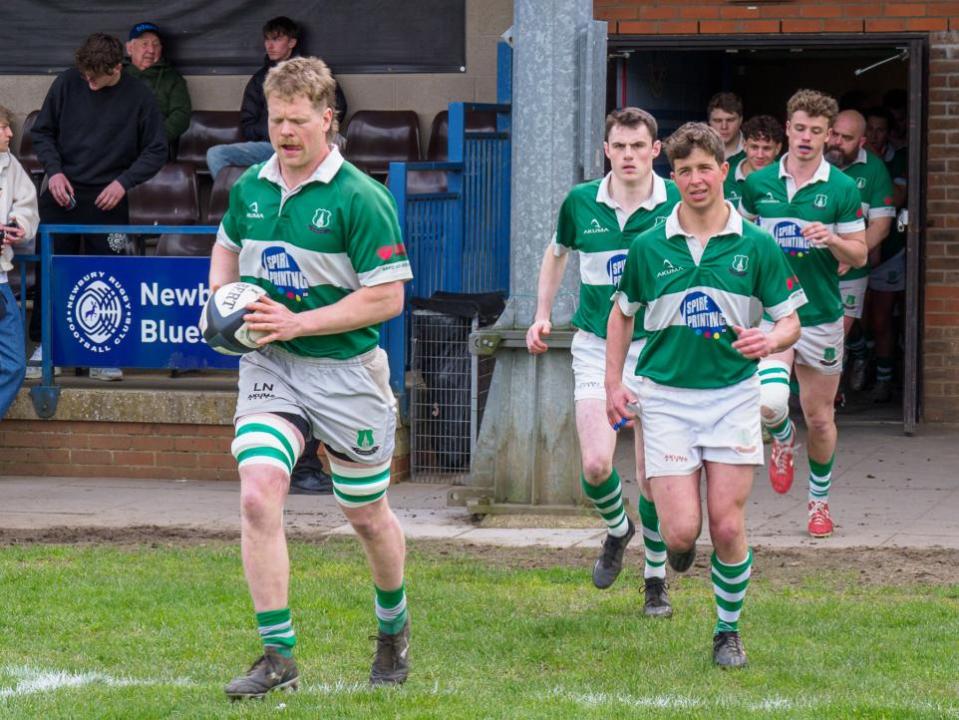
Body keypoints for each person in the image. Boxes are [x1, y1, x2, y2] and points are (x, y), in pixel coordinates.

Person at [211, 56, 412, 698]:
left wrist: (299, 322)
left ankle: (392, 628)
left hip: (347, 374)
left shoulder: (361, 197)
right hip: (272, 366)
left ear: (329, 119)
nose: (286, 133)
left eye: (298, 121)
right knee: (257, 491)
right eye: (276, 120)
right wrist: (223, 301)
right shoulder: (250, 189)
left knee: (366, 513)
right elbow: (226, 247)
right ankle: (278, 657)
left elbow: (387, 300)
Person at [605, 122, 803, 667]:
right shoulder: (648, 246)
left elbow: (790, 322)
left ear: (723, 171)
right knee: (681, 530)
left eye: (704, 168)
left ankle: (726, 632)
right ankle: (678, 547)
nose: (695, 179)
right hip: (666, 399)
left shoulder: (756, 245)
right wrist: (612, 384)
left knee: (728, 523)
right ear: (673, 175)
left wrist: (772, 337)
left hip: (733, 396)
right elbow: (621, 317)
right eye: (684, 170)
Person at [526, 107, 679, 617]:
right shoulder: (579, 202)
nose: (629, 155)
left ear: (656, 150)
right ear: (606, 150)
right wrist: (542, 313)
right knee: (595, 465)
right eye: (620, 146)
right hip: (594, 345)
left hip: (657, 349)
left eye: (639, 146)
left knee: (652, 475)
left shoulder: (676, 202)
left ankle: (655, 580)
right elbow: (556, 252)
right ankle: (618, 528)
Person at [740, 90, 867, 538]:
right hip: (774, 314)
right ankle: (781, 439)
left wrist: (831, 240)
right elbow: (738, 240)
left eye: (816, 131)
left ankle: (818, 503)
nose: (806, 138)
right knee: (770, 401)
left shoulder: (842, 188)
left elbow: (861, 251)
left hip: (821, 315)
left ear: (827, 134)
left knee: (819, 418)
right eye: (799, 128)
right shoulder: (757, 185)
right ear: (787, 128)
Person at [27, 32, 166, 381]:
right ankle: (50, 347)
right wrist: (54, 173)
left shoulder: (139, 95)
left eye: (95, 77)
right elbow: (42, 132)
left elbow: (156, 150)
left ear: (117, 67)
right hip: (62, 193)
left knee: (109, 276)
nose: (88, 82)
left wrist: (124, 183)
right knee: (53, 271)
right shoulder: (66, 82)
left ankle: (105, 353)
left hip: (110, 197)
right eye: (84, 75)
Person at [206, 17, 347, 180]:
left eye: (277, 39)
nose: (269, 45)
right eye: (267, 39)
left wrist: (307, 129)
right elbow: (247, 123)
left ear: (292, 42)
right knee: (215, 154)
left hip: (308, 142)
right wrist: (274, 129)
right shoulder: (259, 80)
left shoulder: (313, 73)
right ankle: (247, 202)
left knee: (334, 143)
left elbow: (338, 108)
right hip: (271, 146)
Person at [824, 110, 895, 394]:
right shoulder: (811, 160)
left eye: (847, 138)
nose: (837, 143)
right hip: (810, 267)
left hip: (851, 269)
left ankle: (828, 400)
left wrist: (850, 253)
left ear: (862, 141)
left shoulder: (875, 169)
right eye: (835, 134)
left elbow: (881, 226)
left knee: (835, 336)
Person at [864, 105, 909, 402]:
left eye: (881, 129)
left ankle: (883, 379)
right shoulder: (845, 162)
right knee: (855, 320)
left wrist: (877, 168)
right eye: (870, 129)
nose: (875, 135)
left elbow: (896, 199)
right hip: (849, 254)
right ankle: (859, 361)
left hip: (889, 251)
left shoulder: (899, 158)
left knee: (881, 320)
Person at [0, 105, 39, 418]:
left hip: (0, 280)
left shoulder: (10, 163)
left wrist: (17, 225)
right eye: (3, 128)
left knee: (13, 365)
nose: (10, 134)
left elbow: (27, 205)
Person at [124, 22, 192, 154]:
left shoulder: (172, 78)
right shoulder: (116, 74)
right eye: (144, 44)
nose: (151, 50)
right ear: (130, 48)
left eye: (156, 44)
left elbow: (181, 115)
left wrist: (155, 137)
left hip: (155, 146)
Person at [723, 114, 783, 208]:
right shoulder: (724, 177)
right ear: (745, 145)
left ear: (778, 149)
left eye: (766, 148)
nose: (760, 155)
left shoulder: (787, 179)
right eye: (754, 147)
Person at [707, 92, 745, 166]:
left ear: (741, 120)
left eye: (730, 120)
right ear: (709, 122)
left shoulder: (756, 150)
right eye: (718, 121)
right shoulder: (698, 148)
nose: (724, 127)